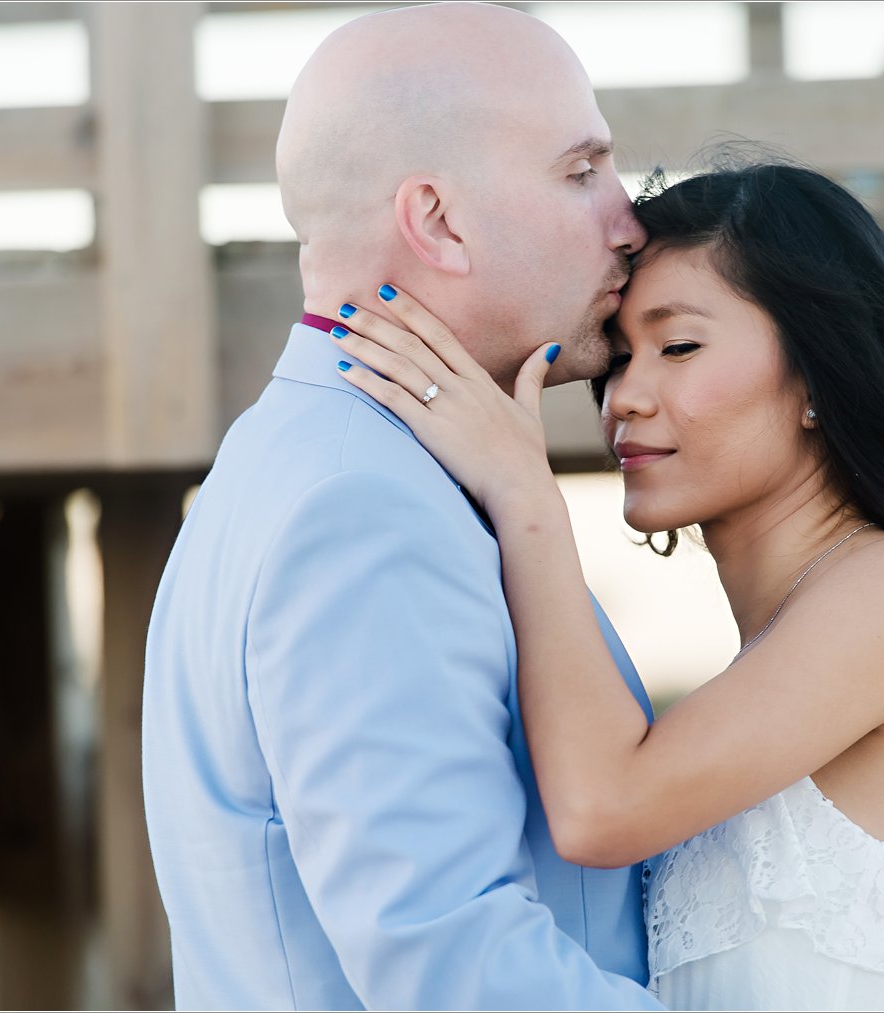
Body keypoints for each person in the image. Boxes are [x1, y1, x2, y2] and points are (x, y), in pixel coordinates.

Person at [327, 160, 884, 1010]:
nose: (625, 398)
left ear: (815, 377)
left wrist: (526, 498)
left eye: (679, 346)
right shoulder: (792, 636)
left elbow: (600, 808)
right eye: (618, 356)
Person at [141, 3, 664, 1008]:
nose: (627, 221)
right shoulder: (358, 508)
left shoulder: (314, 458)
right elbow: (452, 961)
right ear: (435, 221)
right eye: (578, 169)